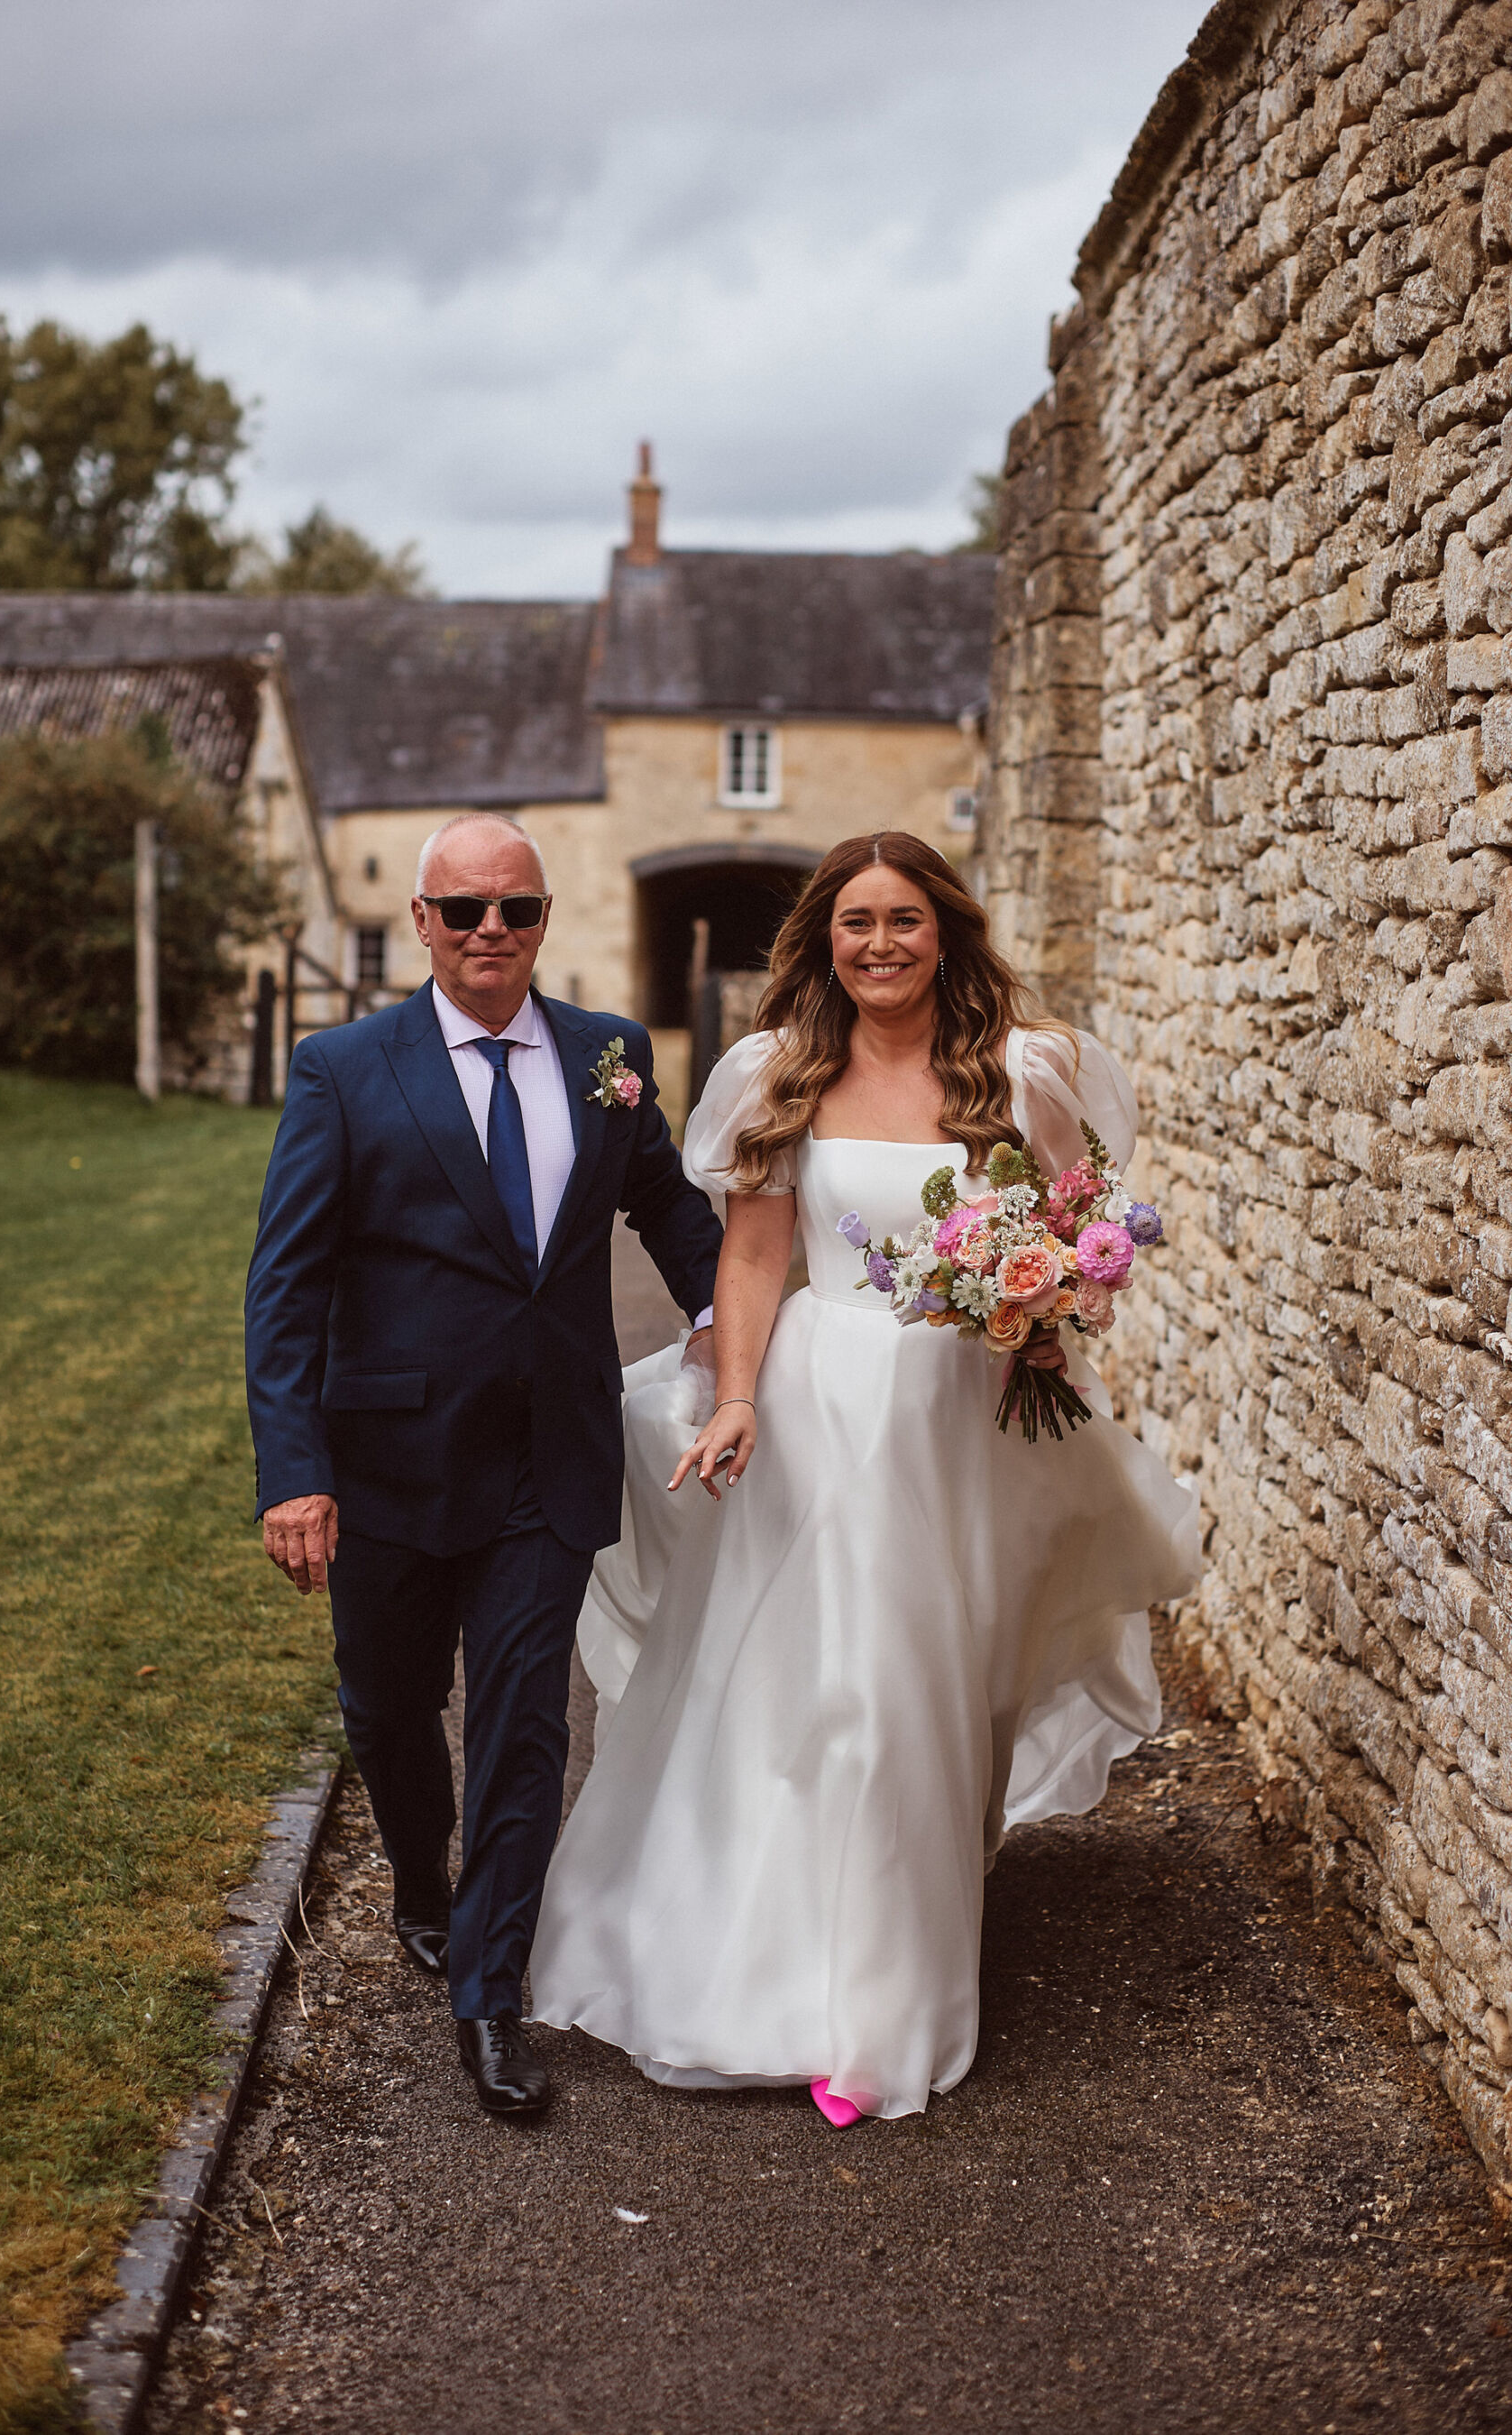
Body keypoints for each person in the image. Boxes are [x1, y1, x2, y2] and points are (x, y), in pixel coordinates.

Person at [529, 832, 1199, 2124]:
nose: (880, 944)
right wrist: (732, 1397)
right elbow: (755, 1256)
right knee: (807, 1696)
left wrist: (1054, 1299)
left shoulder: (1020, 1072)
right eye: (855, 924)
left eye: (903, 920)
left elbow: (1077, 1229)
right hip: (814, 1408)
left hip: (962, 1421)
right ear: (823, 942)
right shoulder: (779, 1072)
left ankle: (891, 2000)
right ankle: (764, 1983)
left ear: (944, 929)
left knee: (924, 1703)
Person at [244, 813, 721, 2117]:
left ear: (545, 919)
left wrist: (723, 1317)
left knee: (522, 1725)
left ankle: (493, 1996)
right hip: (388, 1462)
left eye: (513, 908)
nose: (489, 932)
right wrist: (295, 1470)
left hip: (543, 1463)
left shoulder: (607, 1056)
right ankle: (417, 1875)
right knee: (391, 1714)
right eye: (463, 911)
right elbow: (285, 1287)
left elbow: (666, 1204)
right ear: (424, 926)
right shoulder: (345, 1068)